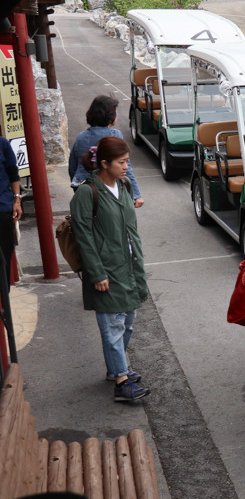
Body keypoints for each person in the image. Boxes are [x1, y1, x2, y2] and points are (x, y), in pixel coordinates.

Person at [71, 136, 150, 402]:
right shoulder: (87, 192)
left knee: (128, 322)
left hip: (129, 266)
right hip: (106, 270)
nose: (127, 167)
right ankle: (121, 382)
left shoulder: (124, 185)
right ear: (104, 163)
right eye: (122, 162)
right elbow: (84, 235)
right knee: (112, 326)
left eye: (127, 161)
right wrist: (97, 273)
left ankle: (117, 368)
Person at [69, 95, 143, 208]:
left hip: (84, 188)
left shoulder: (81, 137)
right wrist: (136, 194)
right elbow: (126, 167)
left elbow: (73, 167)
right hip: (109, 191)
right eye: (116, 113)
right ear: (110, 117)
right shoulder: (115, 135)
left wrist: (77, 189)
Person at [0, 135, 21, 286]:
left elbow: (13, 173)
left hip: (2, 209)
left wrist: (17, 199)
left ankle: (4, 300)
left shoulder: (2, 144)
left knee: (5, 258)